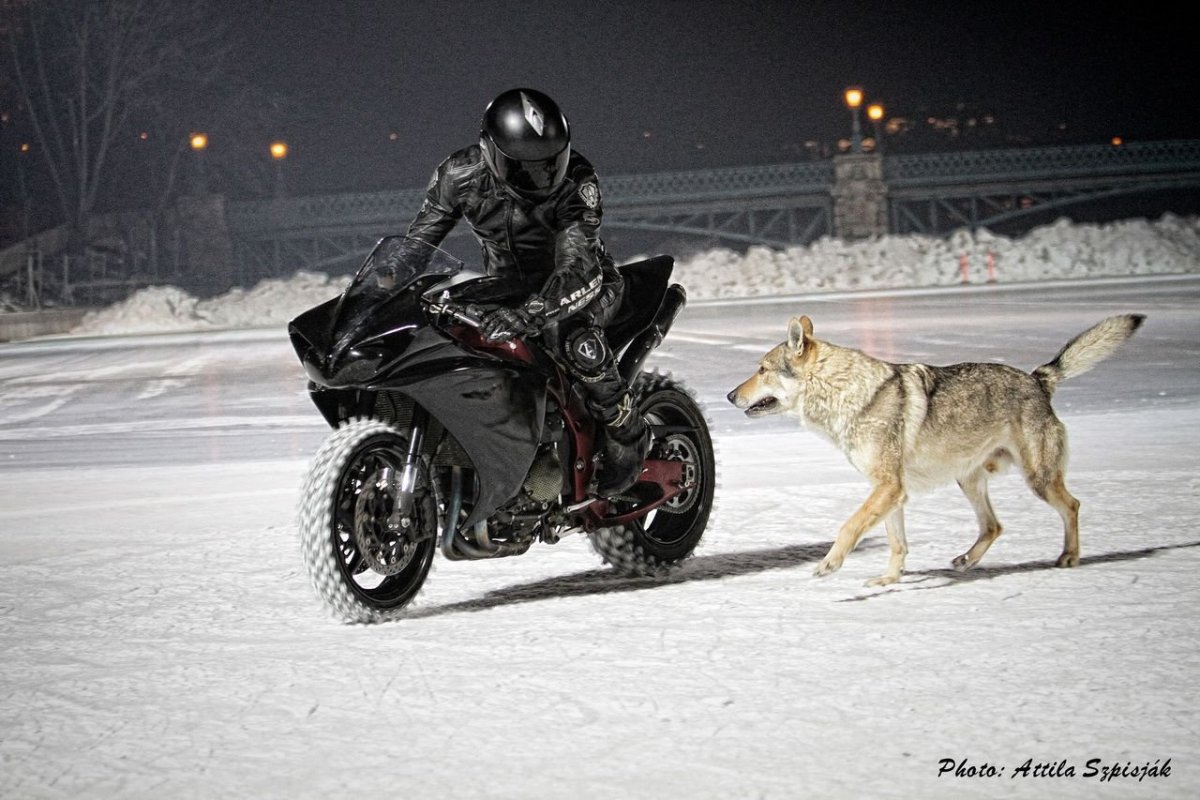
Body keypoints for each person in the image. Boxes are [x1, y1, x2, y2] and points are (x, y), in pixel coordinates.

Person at [402, 87, 648, 497]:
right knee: (444, 328)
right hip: (505, 285)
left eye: (550, 164)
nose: (541, 177)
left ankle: (628, 431)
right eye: (526, 168)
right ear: (491, 153)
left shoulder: (578, 182)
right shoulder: (459, 174)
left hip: (586, 284)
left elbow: (576, 265)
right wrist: (382, 287)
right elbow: (418, 244)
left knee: (572, 338)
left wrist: (530, 314)